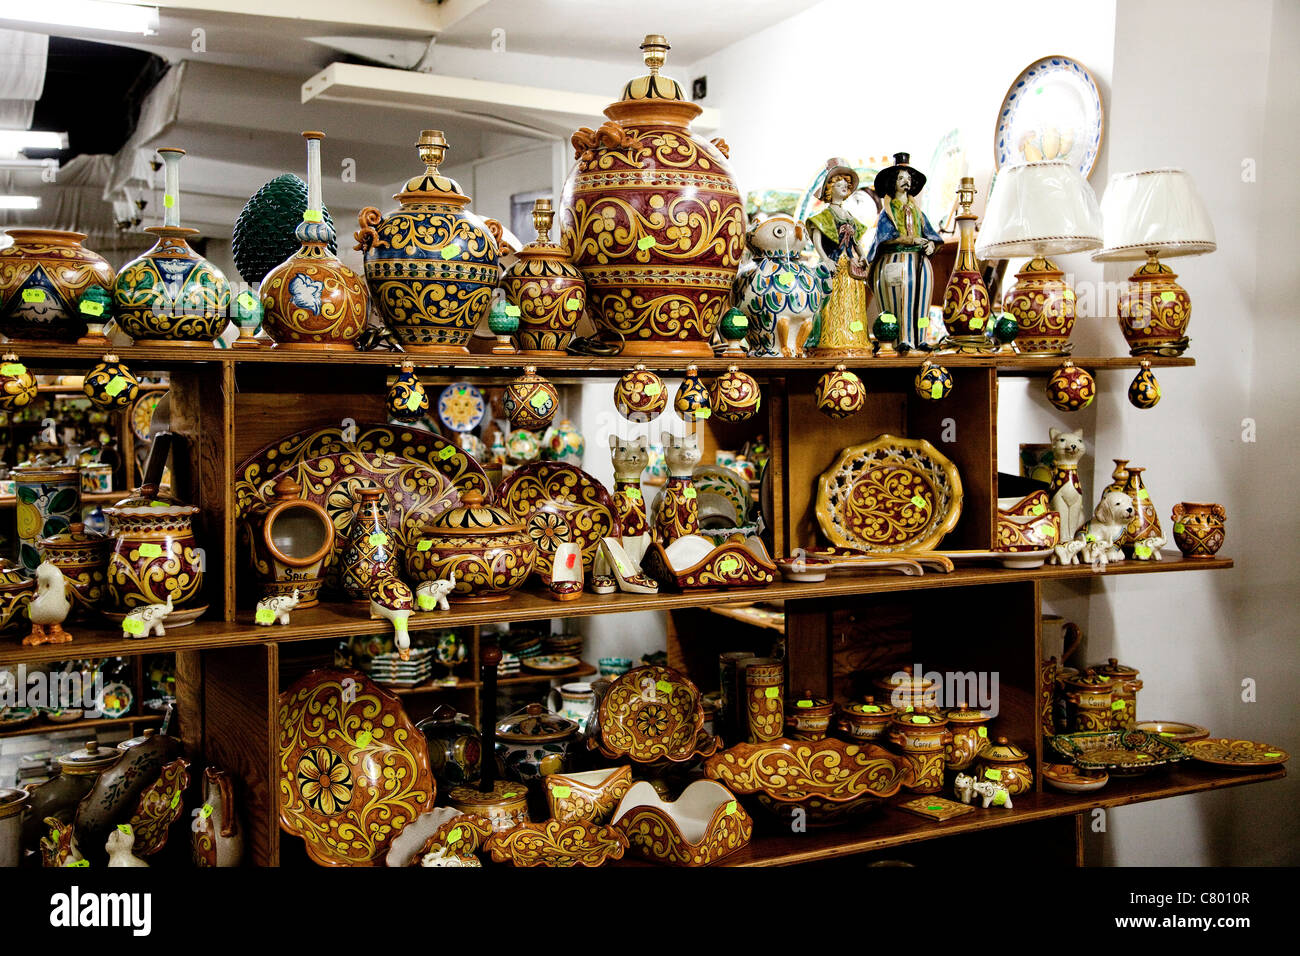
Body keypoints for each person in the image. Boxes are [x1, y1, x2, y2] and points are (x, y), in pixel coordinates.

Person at [868, 152, 944, 351]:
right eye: (901, 178)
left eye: (908, 179)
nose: (905, 182)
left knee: (921, 304)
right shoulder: (888, 212)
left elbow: (932, 234)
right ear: (893, 182)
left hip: (919, 262)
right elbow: (884, 238)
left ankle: (921, 338)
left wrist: (931, 244)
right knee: (899, 304)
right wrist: (910, 239)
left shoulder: (917, 212)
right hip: (895, 261)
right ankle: (901, 339)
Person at [802, 158, 871, 353]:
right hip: (834, 264)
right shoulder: (825, 215)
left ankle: (854, 336)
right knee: (832, 301)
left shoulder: (849, 216)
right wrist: (825, 258)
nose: (844, 188)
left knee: (852, 301)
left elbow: (855, 241)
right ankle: (832, 336)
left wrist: (862, 256)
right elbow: (817, 239)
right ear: (830, 190)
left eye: (846, 186)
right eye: (840, 185)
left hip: (850, 265)